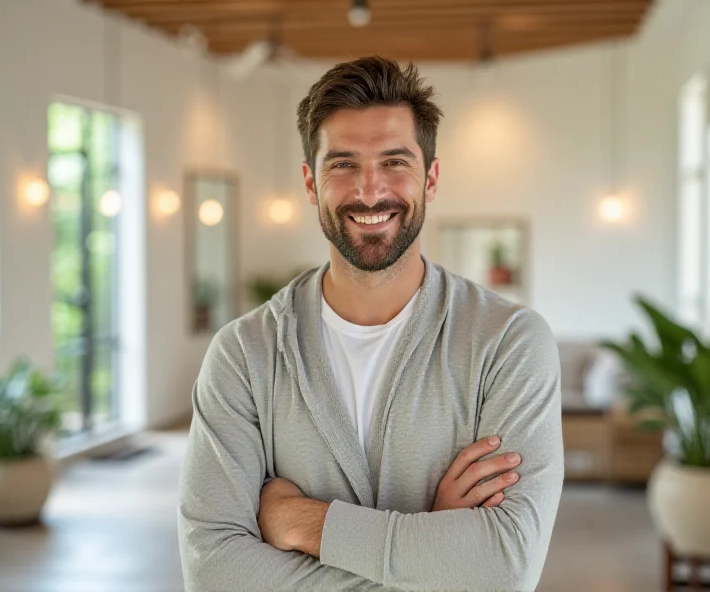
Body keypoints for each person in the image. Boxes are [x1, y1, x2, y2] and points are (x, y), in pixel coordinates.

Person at [178, 56, 564, 592]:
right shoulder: (244, 354)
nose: (369, 190)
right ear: (311, 184)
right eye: (342, 165)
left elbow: (507, 566)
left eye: (394, 162)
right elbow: (213, 571)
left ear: (430, 178)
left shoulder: (509, 342)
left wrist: (302, 521)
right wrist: (431, 548)